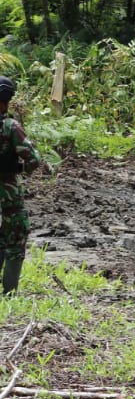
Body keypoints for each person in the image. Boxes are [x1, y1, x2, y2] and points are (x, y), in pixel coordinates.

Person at [0, 76, 44, 294]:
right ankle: (9, 295)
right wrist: (19, 171)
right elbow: (34, 159)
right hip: (8, 192)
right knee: (15, 240)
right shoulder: (11, 127)